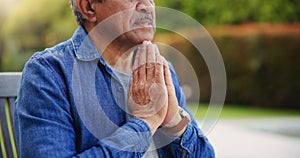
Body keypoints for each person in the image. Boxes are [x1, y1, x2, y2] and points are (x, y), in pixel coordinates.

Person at [14, 0, 215, 157]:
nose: (147, 5)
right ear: (89, 7)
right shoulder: (49, 73)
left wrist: (173, 122)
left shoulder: (161, 70)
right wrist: (145, 122)